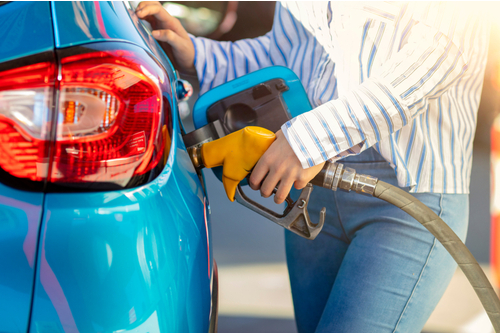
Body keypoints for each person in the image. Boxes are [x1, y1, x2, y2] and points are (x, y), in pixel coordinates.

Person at [137, 2, 490, 332]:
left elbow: (437, 59)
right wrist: (198, 54)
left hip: (406, 197)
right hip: (315, 189)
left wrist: (309, 141)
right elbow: (283, 54)